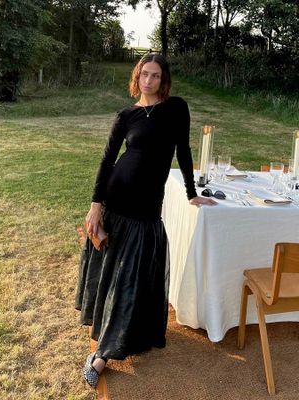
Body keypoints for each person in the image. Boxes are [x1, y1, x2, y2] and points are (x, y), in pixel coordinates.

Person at [75, 53, 216, 389]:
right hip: (115, 201)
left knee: (131, 279)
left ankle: (110, 346)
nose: (148, 81)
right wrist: (96, 206)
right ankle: (104, 351)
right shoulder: (126, 115)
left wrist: (190, 193)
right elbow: (107, 160)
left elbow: (183, 151)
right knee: (116, 276)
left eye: (155, 76)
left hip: (146, 209)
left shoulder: (176, 108)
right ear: (136, 77)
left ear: (163, 80)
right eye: (144, 75)